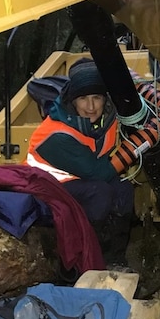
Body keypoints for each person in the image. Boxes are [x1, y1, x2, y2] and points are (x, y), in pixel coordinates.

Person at [27, 58, 134, 266]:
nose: (92, 106)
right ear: (72, 100)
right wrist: (136, 147)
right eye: (83, 98)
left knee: (123, 189)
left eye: (97, 97)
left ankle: (115, 259)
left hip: (81, 179)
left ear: (106, 99)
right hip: (45, 186)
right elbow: (98, 173)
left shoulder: (107, 119)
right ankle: (83, 260)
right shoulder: (57, 134)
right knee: (100, 192)